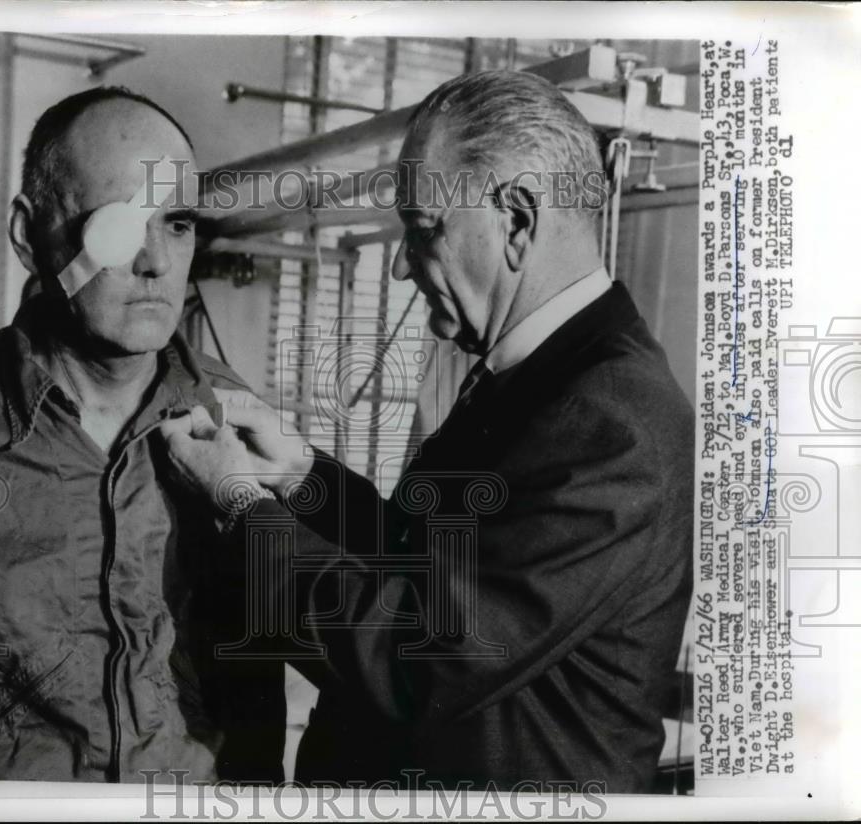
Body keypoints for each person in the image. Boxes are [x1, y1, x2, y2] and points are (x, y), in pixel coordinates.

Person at [161, 70, 694, 792]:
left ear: (516, 219)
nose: (405, 270)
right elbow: (429, 570)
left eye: (422, 229)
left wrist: (238, 501)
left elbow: (414, 656)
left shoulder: (611, 420)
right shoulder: (535, 376)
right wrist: (301, 478)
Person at [0, 86, 284, 782]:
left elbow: (255, 707)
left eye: (179, 224)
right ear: (27, 236)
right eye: (119, 228)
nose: (156, 262)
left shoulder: (234, 420)